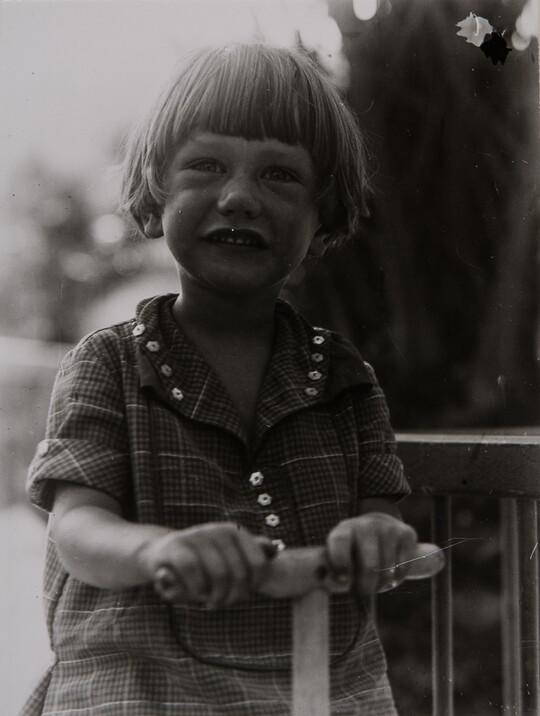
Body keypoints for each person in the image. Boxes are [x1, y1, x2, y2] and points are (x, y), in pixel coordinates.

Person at [22, 43, 418, 715]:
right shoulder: (107, 363)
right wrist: (157, 551)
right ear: (154, 198)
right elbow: (77, 527)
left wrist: (379, 538)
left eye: (279, 175)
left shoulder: (347, 379)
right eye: (206, 166)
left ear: (323, 217)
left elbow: (381, 516)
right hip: (142, 691)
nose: (238, 197)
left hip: (314, 689)